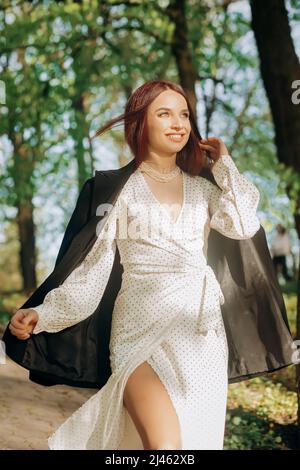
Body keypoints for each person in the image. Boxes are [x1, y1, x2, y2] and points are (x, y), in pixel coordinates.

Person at [3, 80, 294, 450]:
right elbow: (91, 275)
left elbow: (243, 223)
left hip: (201, 335)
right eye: (164, 114)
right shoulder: (115, 190)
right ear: (141, 123)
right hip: (138, 334)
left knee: (193, 447)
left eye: (184, 114)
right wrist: (43, 314)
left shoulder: (204, 190)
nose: (178, 123)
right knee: (165, 448)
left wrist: (224, 164)